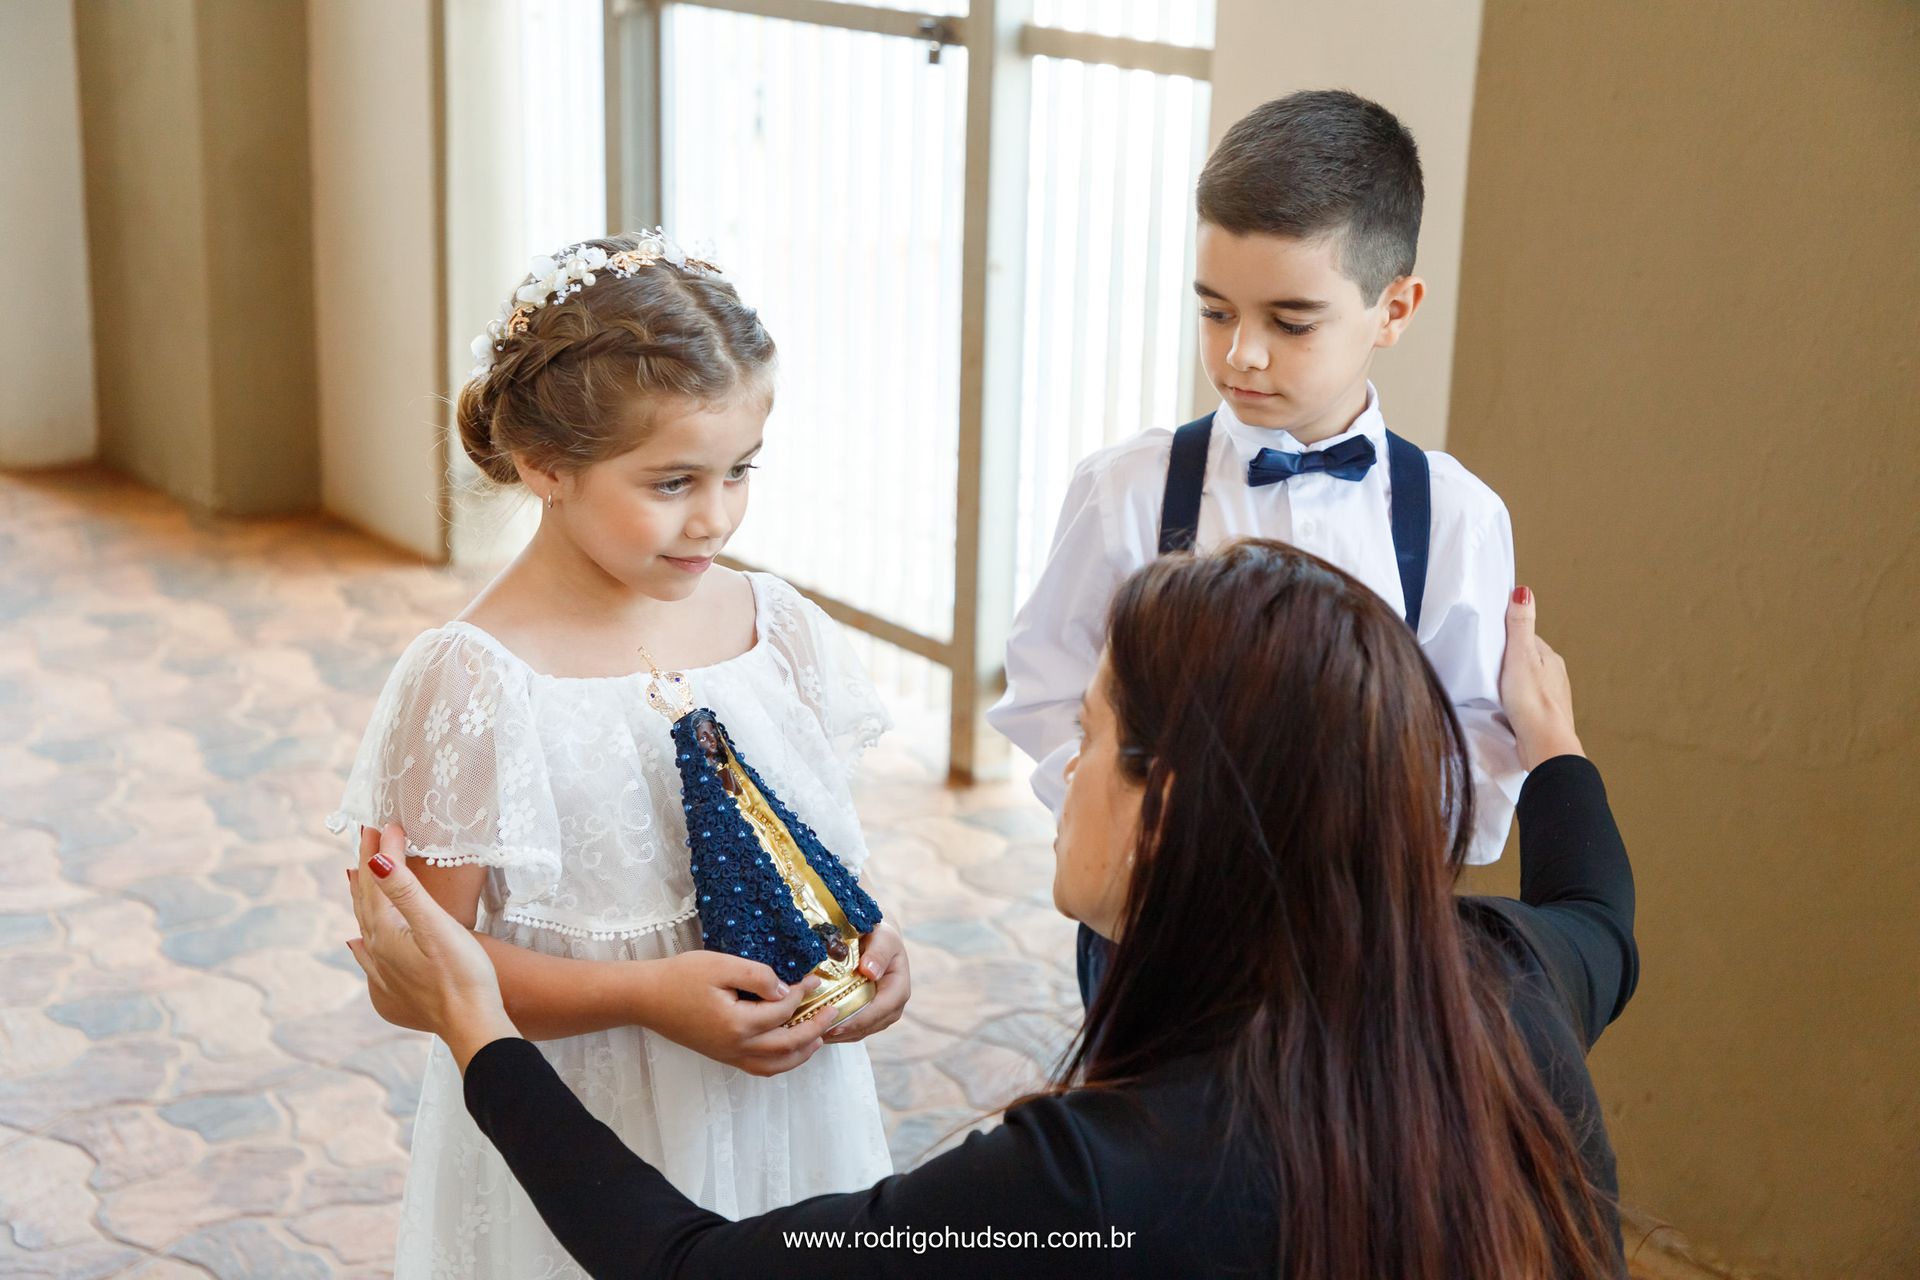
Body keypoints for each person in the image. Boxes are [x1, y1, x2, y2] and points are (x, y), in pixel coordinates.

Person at [348, 540, 1638, 1279]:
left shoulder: (1091, 1181)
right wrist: (1559, 745)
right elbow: (1604, 917)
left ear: (1168, 806)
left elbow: (686, 1269)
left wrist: (486, 1034)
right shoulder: (1508, 980)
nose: (1063, 776)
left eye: (1089, 738)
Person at [327, 231, 910, 1277]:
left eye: (741, 471)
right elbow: (412, 974)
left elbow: (807, 855)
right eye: (674, 480)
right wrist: (644, 995)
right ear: (544, 464)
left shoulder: (773, 627)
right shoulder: (476, 680)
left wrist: (866, 942)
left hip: (788, 1116)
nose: (718, 516)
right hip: (584, 1127)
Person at [988, 90, 1525, 1004]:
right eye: (1215, 312)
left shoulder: (1456, 519)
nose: (1241, 355)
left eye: (1290, 320)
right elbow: (1046, 694)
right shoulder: (1130, 491)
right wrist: (1136, 837)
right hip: (1153, 933)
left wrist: (1354, 856)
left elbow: (1474, 755)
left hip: (1352, 942)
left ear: (1394, 308)